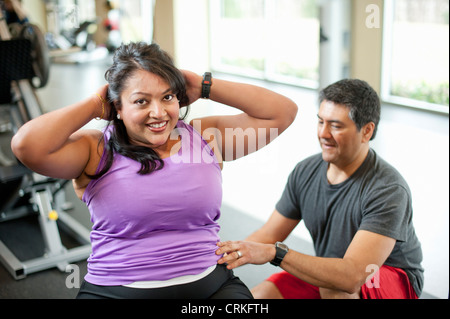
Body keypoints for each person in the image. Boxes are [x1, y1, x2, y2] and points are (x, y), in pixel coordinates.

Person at [11, 42, 298, 299]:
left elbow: (282, 112)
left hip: (210, 286)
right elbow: (27, 146)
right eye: (141, 101)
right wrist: (94, 105)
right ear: (117, 108)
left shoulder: (205, 136)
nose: (159, 113)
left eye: (168, 97)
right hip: (117, 291)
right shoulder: (95, 148)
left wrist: (204, 84)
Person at [216, 79, 424, 299]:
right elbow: (268, 235)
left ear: (367, 131)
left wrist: (276, 254)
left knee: (337, 288)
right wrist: (218, 261)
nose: (323, 134)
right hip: (335, 271)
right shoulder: (306, 171)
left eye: (335, 125)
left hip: (385, 276)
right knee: (261, 296)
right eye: (320, 122)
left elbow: (352, 276)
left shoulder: (388, 189)